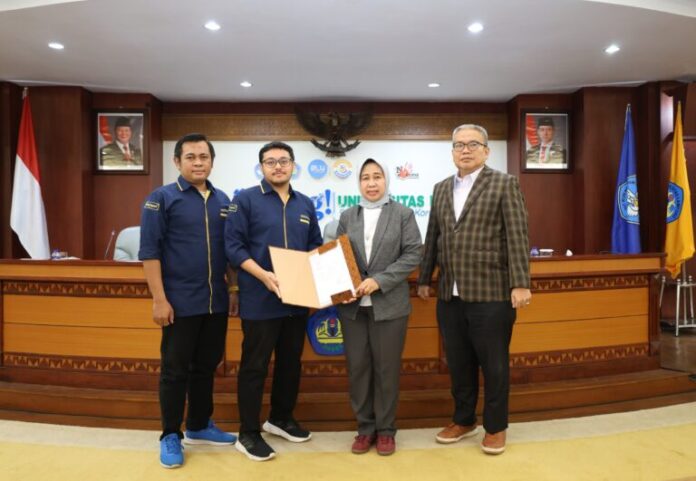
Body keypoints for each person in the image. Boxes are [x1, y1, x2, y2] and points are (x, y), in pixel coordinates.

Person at [417, 124, 531, 455]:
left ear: (486, 150)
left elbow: (517, 235)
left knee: (494, 365)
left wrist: (521, 282)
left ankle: (495, 427)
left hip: (492, 292)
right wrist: (425, 278)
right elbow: (433, 236)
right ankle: (463, 420)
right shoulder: (440, 188)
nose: (465, 150)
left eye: (472, 144)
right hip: (449, 294)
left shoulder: (504, 183)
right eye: (459, 145)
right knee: (459, 363)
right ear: (452, 151)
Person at [139, 133, 237, 469]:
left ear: (212, 161)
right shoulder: (162, 198)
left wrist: (233, 291)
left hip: (215, 302)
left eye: (204, 157)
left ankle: (198, 424)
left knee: (206, 367)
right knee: (174, 370)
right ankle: (170, 434)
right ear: (177, 161)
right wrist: (159, 300)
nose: (198, 163)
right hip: (178, 302)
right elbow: (149, 252)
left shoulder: (223, 200)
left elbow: (229, 252)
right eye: (191, 157)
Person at [225, 141, 322, 461]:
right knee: (254, 366)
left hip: (297, 298)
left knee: (290, 363)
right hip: (259, 297)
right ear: (261, 167)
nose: (278, 166)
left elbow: (315, 246)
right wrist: (263, 275)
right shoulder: (245, 200)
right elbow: (233, 247)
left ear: (293, 165)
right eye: (270, 161)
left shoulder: (305, 203)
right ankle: (248, 432)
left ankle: (280, 418)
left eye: (283, 160)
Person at [336, 158, 421, 456]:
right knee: (358, 369)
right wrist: (344, 288)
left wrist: (379, 280)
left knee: (386, 370)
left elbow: (413, 254)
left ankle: (386, 431)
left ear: (386, 180)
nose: (371, 183)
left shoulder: (403, 214)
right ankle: (365, 429)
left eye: (377, 177)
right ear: (358, 183)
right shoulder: (348, 215)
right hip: (353, 309)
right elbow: (338, 256)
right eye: (365, 178)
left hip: (389, 306)